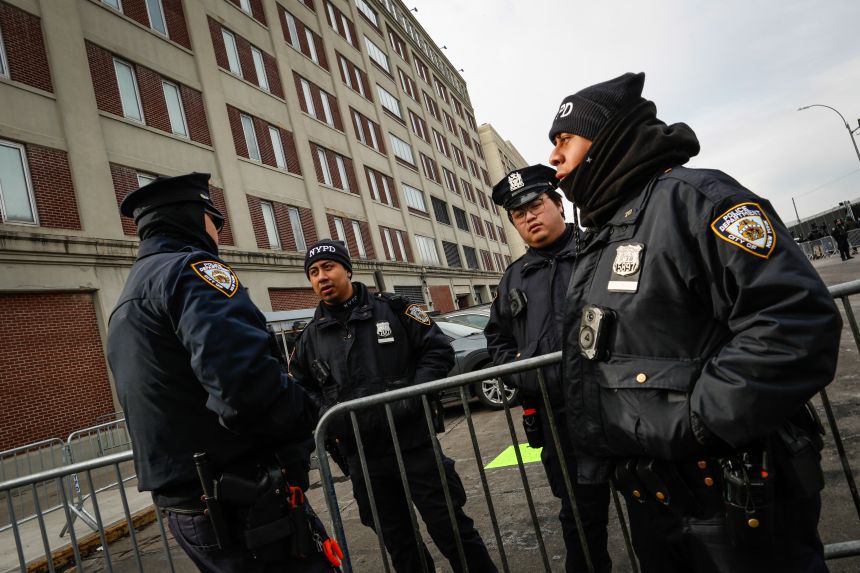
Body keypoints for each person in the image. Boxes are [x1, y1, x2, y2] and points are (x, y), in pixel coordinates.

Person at [546, 73, 842, 572]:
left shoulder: (695, 198)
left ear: (609, 136)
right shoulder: (609, 232)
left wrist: (697, 421)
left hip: (731, 492)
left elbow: (796, 321)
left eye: (564, 139)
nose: (554, 156)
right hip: (658, 499)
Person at [107, 173, 340, 573]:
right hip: (240, 502)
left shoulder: (127, 300)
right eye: (218, 222)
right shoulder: (192, 270)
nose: (219, 233)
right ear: (194, 218)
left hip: (190, 506)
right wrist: (311, 412)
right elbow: (244, 387)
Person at [290, 239, 497, 573]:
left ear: (348, 269)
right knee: (400, 544)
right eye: (313, 272)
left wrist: (411, 395)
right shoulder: (310, 337)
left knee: (452, 530)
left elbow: (438, 351)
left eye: (328, 267)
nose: (321, 277)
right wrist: (331, 417)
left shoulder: (394, 309)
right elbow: (300, 387)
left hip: (413, 444)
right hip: (363, 458)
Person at [485, 165, 611, 573]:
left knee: (655, 506)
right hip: (559, 418)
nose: (529, 218)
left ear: (558, 204)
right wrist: (522, 373)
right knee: (578, 514)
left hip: (619, 403)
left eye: (536, 206)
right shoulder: (513, 279)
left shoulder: (601, 251)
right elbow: (498, 340)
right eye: (519, 215)